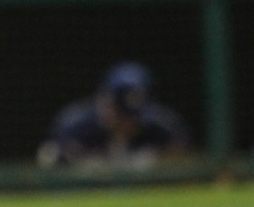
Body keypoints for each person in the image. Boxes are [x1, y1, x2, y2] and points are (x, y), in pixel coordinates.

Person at [40, 62, 189, 168]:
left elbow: (183, 161)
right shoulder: (73, 126)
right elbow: (47, 166)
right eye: (122, 115)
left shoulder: (163, 126)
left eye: (135, 116)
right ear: (107, 105)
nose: (129, 123)